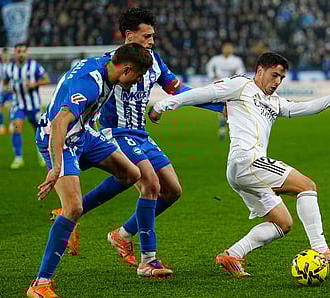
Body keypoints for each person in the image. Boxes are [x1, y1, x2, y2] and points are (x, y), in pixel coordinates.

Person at [150, 52, 330, 277]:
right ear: (259, 71)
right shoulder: (240, 86)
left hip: (243, 169)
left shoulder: (274, 102)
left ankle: (232, 254)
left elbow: (308, 107)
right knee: (307, 186)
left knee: (281, 223)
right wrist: (164, 105)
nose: (277, 82)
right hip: (248, 161)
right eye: (274, 75)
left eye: (281, 78)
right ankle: (322, 250)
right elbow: (202, 94)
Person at [50, 8, 223, 266]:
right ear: (129, 36)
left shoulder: (155, 61)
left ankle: (122, 235)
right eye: (147, 36)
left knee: (173, 191)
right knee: (150, 184)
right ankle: (148, 261)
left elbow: (177, 90)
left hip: (141, 133)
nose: (152, 41)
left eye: (153, 36)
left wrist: (219, 105)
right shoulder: (113, 64)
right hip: (115, 132)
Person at [26, 43, 154, 298]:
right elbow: (61, 121)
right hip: (60, 140)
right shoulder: (90, 84)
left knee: (131, 174)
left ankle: (70, 214)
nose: (139, 81)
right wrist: (55, 167)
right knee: (73, 206)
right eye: (139, 75)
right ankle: (41, 283)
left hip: (83, 134)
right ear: (127, 69)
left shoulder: (109, 64)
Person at [3, 43, 50, 168]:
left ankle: (42, 155)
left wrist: (34, 84)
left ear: (26, 53)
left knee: (39, 130)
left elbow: (47, 79)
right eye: (19, 51)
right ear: (15, 53)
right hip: (18, 104)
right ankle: (18, 158)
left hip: (34, 105)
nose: (21, 54)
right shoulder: (9, 68)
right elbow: (5, 81)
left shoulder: (34, 66)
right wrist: (6, 88)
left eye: (23, 51)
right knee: (16, 126)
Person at [206, 41, 246, 140]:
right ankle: (223, 129)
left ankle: (231, 129)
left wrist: (236, 76)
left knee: (233, 109)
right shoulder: (216, 59)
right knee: (222, 109)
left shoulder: (236, 60)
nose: (227, 50)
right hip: (220, 87)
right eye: (226, 48)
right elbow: (209, 67)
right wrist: (212, 75)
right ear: (223, 49)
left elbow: (241, 71)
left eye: (229, 48)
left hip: (232, 87)